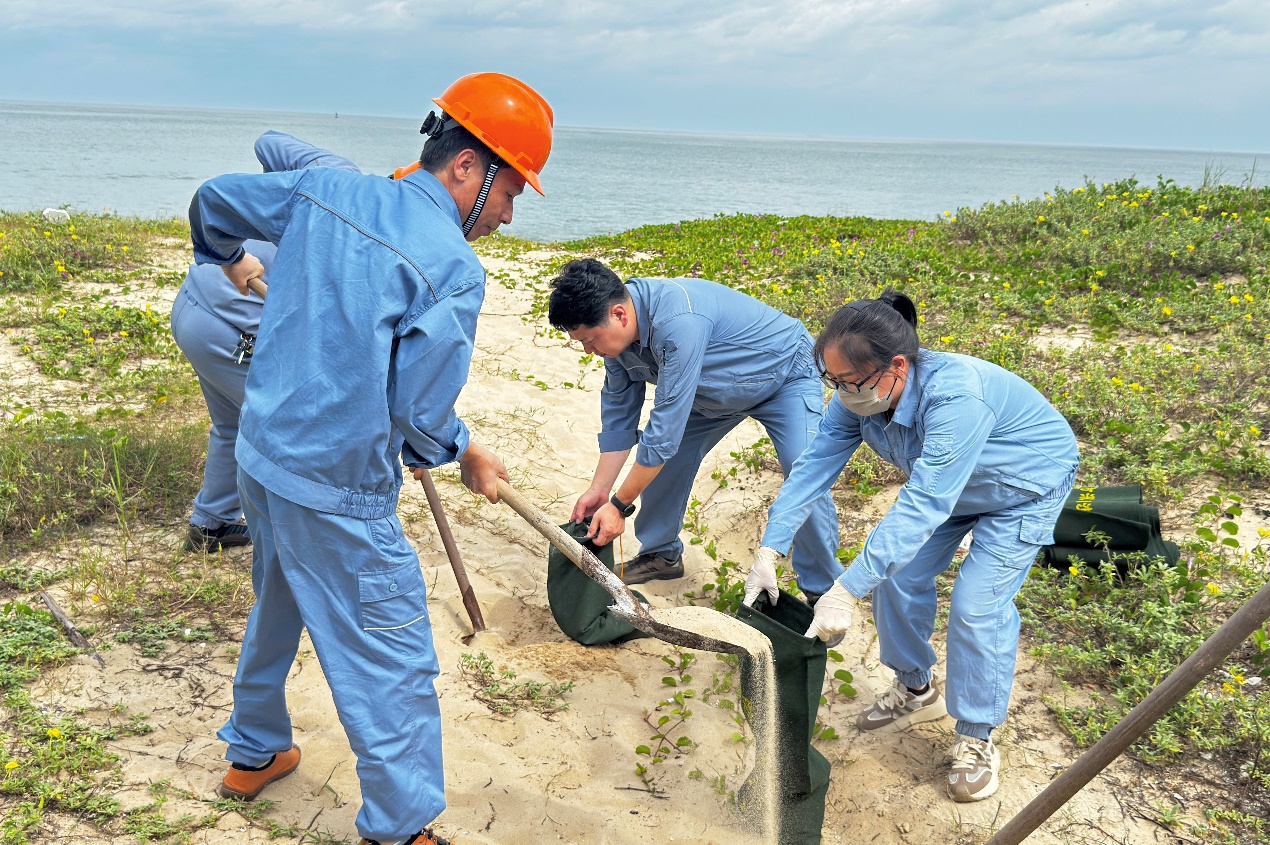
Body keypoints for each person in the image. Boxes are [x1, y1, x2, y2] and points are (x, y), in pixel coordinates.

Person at [187, 73, 553, 845]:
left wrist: (224, 257)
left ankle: (253, 752)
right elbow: (417, 413)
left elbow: (214, 199)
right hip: (337, 489)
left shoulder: (325, 191)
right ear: (466, 167)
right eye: (510, 192)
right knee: (394, 660)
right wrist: (451, 447)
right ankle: (399, 828)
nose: (508, 215)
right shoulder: (452, 266)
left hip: (263, 456)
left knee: (279, 596)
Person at [745, 290, 1078, 802]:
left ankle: (977, 736)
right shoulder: (858, 397)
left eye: (850, 382)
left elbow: (924, 502)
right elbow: (812, 468)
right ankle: (916, 687)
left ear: (896, 366)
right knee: (895, 576)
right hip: (954, 490)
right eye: (832, 381)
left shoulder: (957, 397)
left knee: (976, 606)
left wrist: (844, 589)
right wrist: (770, 549)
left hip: (1022, 489)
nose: (842, 392)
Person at [547, 258, 841, 596]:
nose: (588, 350)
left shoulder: (678, 321)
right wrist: (601, 490)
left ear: (619, 315)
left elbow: (664, 433)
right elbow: (619, 417)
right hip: (709, 393)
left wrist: (618, 507)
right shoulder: (615, 345)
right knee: (663, 464)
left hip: (784, 375)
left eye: (590, 339)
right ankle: (662, 555)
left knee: (804, 472)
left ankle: (823, 589)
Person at [172, 132, 362, 552]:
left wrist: (275, 201)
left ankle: (213, 524)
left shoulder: (335, 171)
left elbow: (268, 143)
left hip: (191, 305)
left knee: (230, 423)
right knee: (298, 439)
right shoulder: (365, 252)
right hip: (232, 331)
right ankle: (303, 542)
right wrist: (237, 257)